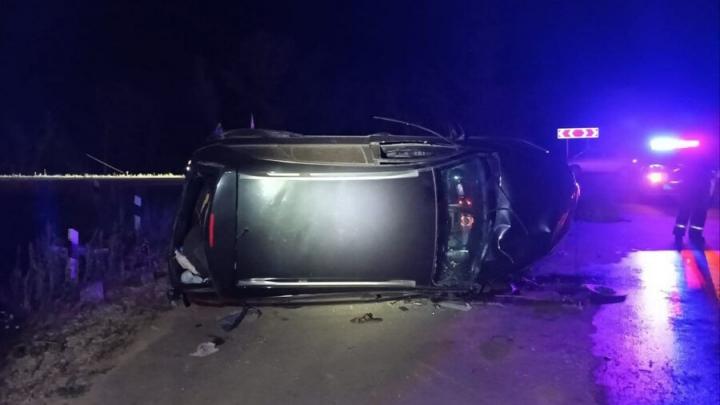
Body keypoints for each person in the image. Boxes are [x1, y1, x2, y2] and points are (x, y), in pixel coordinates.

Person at [673, 157, 717, 246]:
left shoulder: (690, 159)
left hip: (689, 190)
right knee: (698, 214)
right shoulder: (707, 161)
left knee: (685, 212)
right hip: (700, 191)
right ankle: (694, 235)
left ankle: (679, 234)